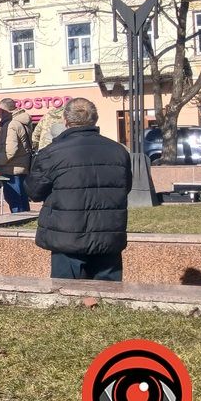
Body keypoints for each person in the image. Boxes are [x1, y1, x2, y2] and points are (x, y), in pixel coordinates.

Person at [26, 98, 131, 281]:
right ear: (95, 119)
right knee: (109, 299)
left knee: (68, 299)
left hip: (67, 239)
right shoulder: (119, 151)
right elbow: (125, 187)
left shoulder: (52, 152)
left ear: (66, 121)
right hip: (108, 237)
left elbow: (34, 192)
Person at [0, 98, 33, 213]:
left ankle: (18, 223)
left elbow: (10, 150)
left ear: (4, 110)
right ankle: (24, 222)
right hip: (20, 168)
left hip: (12, 169)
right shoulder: (21, 121)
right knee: (22, 201)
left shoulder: (12, 124)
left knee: (16, 202)